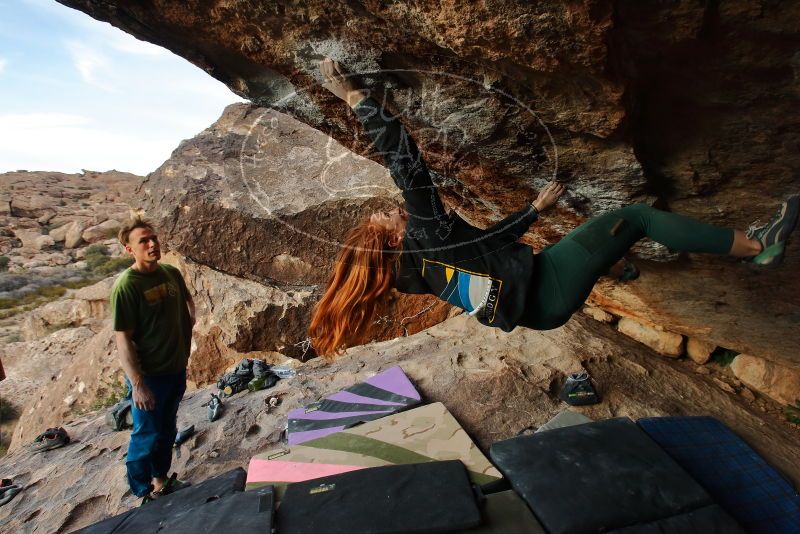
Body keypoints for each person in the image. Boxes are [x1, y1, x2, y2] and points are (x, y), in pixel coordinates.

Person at [309, 58, 799, 358]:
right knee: (636, 217)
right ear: (393, 239)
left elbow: (484, 247)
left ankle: (615, 267)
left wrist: (533, 210)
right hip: (548, 288)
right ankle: (759, 245)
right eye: (385, 218)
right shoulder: (426, 236)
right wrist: (357, 98)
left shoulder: (423, 267)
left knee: (599, 244)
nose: (393, 211)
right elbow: (405, 162)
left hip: (537, 304)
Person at [111, 215, 195, 504]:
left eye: (153, 238)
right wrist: (137, 384)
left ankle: (161, 481)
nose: (151, 244)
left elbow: (187, 302)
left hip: (174, 369)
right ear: (129, 249)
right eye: (143, 241)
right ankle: (142, 492)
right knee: (146, 434)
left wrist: (187, 331)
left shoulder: (170, 273)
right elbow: (123, 339)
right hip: (149, 376)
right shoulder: (127, 286)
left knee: (168, 428)